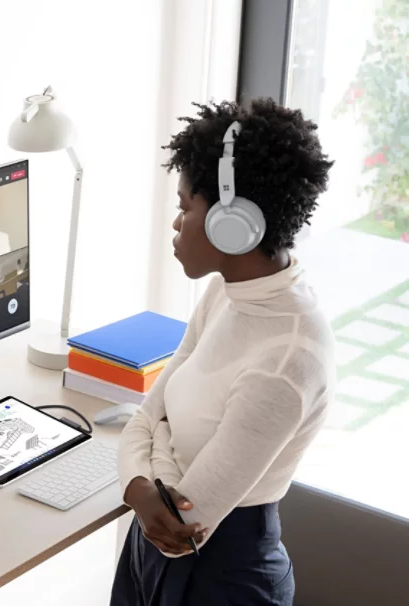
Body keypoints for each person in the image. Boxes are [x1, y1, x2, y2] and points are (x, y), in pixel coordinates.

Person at [111, 98, 335, 606]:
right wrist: (141, 492)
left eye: (185, 206)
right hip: (146, 549)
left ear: (232, 223)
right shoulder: (225, 294)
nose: (175, 223)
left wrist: (147, 477)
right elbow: (146, 416)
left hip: (223, 581)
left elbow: (182, 527)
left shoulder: (288, 358)